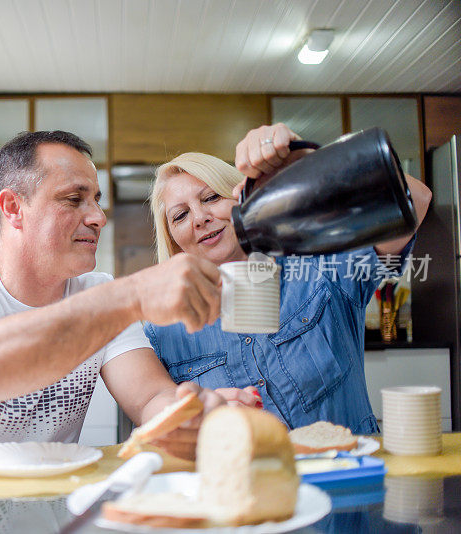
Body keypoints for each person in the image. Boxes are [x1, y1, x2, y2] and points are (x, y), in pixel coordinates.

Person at [0, 130, 258, 462]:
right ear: (13, 208)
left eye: (95, 199)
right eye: (74, 199)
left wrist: (187, 414)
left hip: (42, 513)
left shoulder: (99, 292)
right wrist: (133, 295)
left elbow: (148, 399)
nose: (98, 217)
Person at [144, 123, 432, 434]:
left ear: (240, 197)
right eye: (181, 215)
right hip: (243, 480)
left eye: (211, 197)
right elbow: (157, 420)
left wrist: (311, 165)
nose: (200, 218)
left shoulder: (319, 267)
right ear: (173, 239)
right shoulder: (162, 331)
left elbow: (416, 198)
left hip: (347, 474)